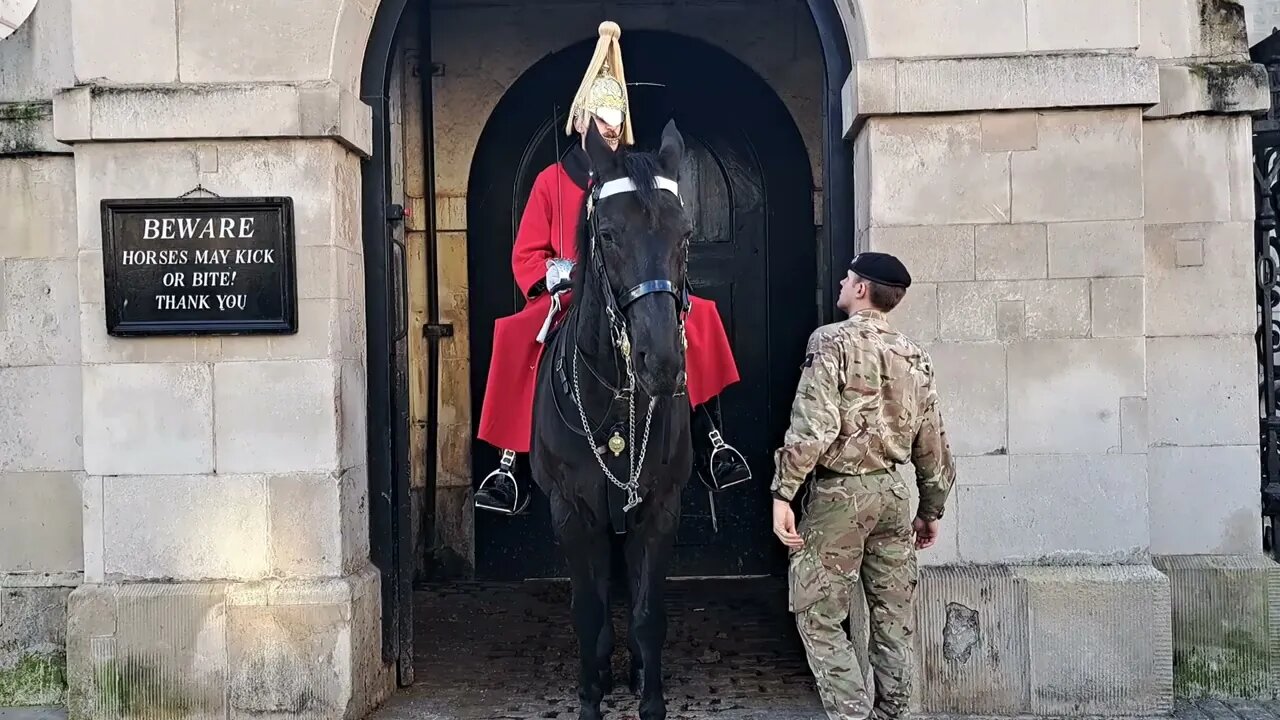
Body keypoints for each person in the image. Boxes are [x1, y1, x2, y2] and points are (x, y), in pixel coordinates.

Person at [474, 20, 752, 516]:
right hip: (569, 294)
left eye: (616, 123)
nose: (610, 130)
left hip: (631, 288)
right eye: (601, 122)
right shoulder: (550, 181)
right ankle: (509, 462)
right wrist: (560, 274)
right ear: (581, 123)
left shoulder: (634, 175)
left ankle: (711, 438)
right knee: (515, 335)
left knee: (700, 316)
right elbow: (526, 255)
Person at [770, 251, 957, 720]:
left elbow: (813, 427)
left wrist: (783, 493)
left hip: (840, 497)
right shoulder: (915, 354)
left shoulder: (831, 342)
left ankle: (852, 714)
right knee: (894, 621)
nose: (840, 281)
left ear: (860, 289)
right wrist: (931, 509)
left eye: (848, 277)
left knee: (819, 615)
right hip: (894, 495)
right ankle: (895, 714)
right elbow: (931, 441)